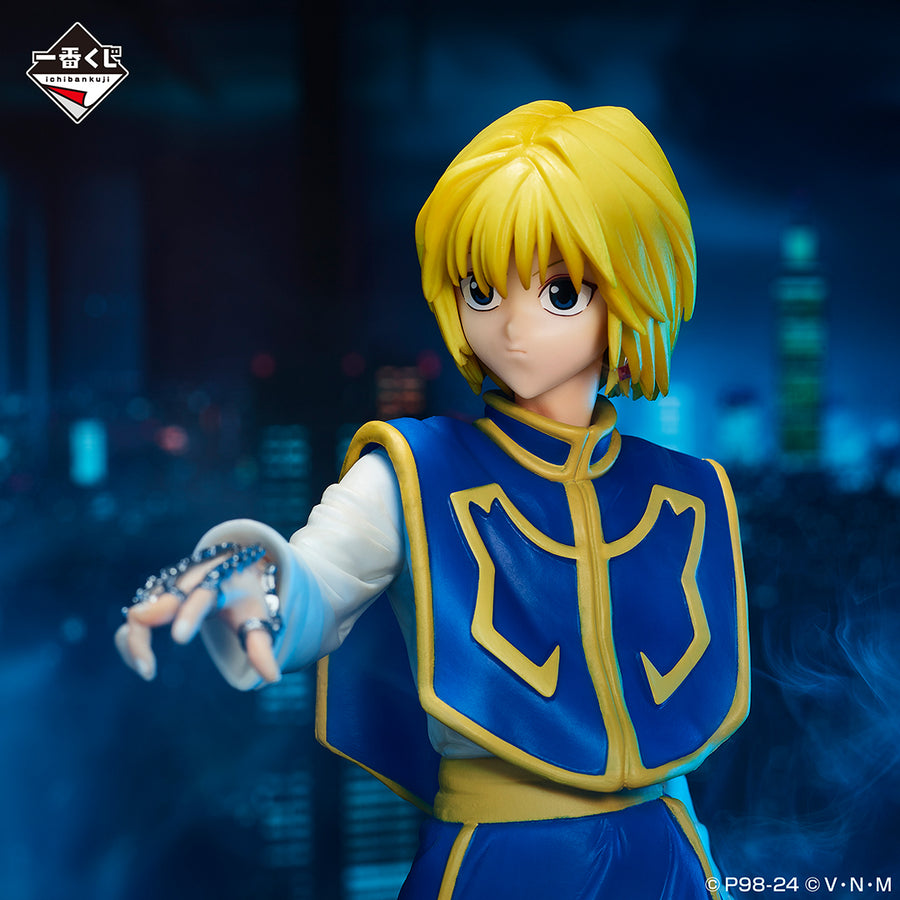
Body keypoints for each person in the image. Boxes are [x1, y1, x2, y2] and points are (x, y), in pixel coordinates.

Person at [116, 100, 749, 899]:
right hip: (500, 859)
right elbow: (319, 585)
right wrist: (255, 581)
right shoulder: (416, 470)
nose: (512, 326)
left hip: (667, 851)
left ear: (634, 289)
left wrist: (703, 872)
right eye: (482, 289)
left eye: (559, 292)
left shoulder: (686, 493)